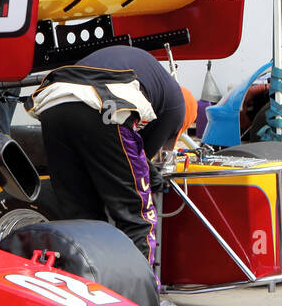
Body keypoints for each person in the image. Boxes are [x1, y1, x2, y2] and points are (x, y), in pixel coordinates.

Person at [27, 46, 191, 265]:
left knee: (80, 217)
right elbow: (138, 162)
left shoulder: (153, 78)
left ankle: (86, 288)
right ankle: (140, 295)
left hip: (54, 101)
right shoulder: (177, 108)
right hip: (105, 103)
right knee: (136, 216)